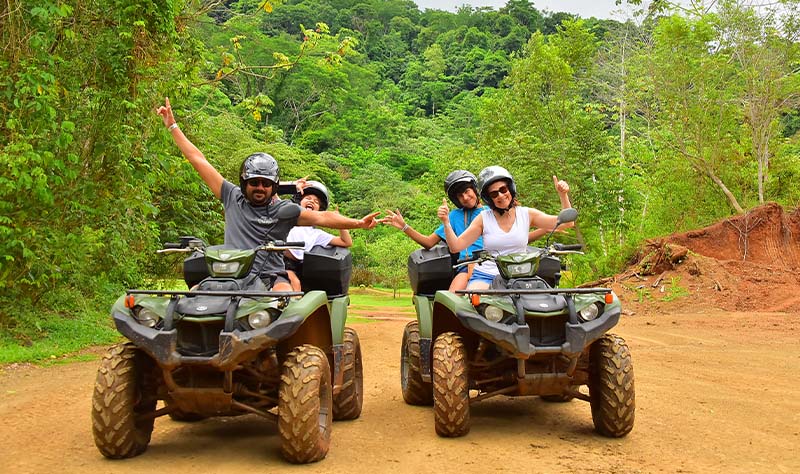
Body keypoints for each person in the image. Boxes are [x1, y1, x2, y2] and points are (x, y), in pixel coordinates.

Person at [156, 98, 378, 291]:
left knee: (285, 296)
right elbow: (198, 159)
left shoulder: (283, 210)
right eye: (254, 182)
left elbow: (324, 217)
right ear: (244, 183)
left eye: (265, 183)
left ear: (274, 186)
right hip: (227, 275)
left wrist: (358, 223)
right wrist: (173, 126)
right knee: (192, 295)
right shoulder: (231, 196)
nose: (259, 188)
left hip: (269, 276)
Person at [438, 166, 573, 290]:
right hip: (487, 275)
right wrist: (446, 222)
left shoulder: (526, 214)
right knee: (474, 300)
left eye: (503, 190)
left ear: (510, 189)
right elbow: (456, 246)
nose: (501, 196)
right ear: (489, 198)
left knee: (543, 304)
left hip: (522, 274)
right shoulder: (484, 218)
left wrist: (563, 194)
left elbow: (566, 223)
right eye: (494, 194)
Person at [381, 170, 484, 292]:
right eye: (460, 196)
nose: (465, 197)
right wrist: (404, 226)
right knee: (450, 301)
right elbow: (429, 242)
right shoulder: (454, 216)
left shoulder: (490, 212)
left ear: (475, 190)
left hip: (491, 264)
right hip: (466, 266)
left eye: (467, 192)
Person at [284, 180, 352, 291]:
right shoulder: (287, 218)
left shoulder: (316, 234)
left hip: (294, 266)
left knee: (295, 284)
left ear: (319, 210)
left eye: (316, 202)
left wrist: (340, 222)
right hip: (274, 258)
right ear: (299, 202)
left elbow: (346, 242)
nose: (312, 201)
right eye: (308, 198)